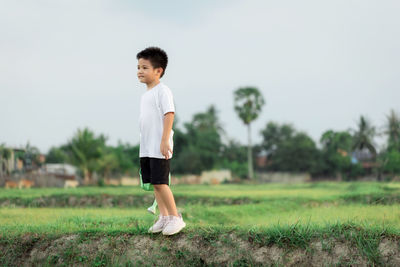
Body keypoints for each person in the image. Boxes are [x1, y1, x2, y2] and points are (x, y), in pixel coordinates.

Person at [137, 46, 186, 235]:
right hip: (147, 147)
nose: (140, 71)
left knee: (161, 182)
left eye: (145, 68)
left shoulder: (162, 91)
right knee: (154, 183)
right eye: (138, 67)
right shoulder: (145, 95)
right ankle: (164, 217)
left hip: (159, 146)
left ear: (158, 71)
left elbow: (169, 114)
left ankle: (175, 217)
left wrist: (165, 140)